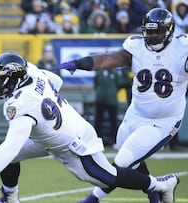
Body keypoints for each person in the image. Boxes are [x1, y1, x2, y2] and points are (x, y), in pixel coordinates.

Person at [0, 52, 179, 203]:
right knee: (8, 158)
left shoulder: (19, 103)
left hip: (74, 142)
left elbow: (12, 145)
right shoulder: (31, 71)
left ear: (14, 79)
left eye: (2, 81)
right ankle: (10, 198)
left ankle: (160, 184)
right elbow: (56, 82)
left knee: (108, 177)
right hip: (49, 136)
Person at [52, 7, 186, 203]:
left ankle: (93, 199)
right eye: (149, 31)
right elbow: (108, 59)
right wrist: (80, 63)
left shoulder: (182, 48)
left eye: (157, 31)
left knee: (122, 163)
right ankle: (157, 193)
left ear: (169, 31)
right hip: (135, 114)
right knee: (132, 161)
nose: (153, 36)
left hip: (163, 121)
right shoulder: (136, 46)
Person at [94, 69, 120, 147]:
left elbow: (119, 84)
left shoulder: (114, 73)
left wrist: (112, 92)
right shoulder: (99, 73)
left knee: (113, 121)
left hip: (112, 101)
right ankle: (97, 141)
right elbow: (96, 84)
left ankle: (115, 141)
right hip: (100, 100)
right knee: (98, 122)